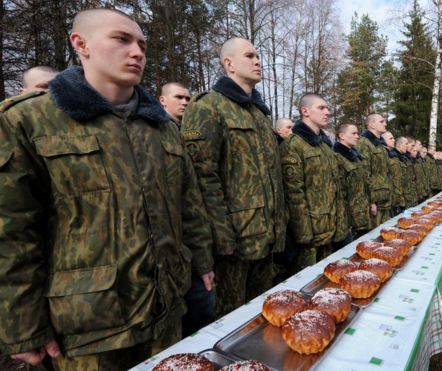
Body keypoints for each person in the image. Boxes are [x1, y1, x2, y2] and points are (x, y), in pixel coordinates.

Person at [0, 8, 214, 369]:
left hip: (165, 311)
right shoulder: (28, 120)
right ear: (80, 44)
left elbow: (188, 204)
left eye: (143, 44)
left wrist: (202, 261)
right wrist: (22, 324)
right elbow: (12, 232)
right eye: (122, 39)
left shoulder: (159, 126)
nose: (138, 52)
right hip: (87, 328)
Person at [181, 37, 287, 317]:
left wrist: (279, 226)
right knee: (230, 321)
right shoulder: (207, 107)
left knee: (263, 317)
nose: (258, 61)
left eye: (258, 55)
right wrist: (222, 240)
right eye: (249, 56)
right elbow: (202, 180)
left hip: (266, 238)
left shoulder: (260, 115)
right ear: (228, 64)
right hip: (234, 244)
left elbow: (270, 177)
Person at [281, 94, 347, 271]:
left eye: (327, 108)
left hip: (329, 230)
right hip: (309, 237)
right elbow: (293, 193)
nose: (327, 112)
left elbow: (335, 188)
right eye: (321, 108)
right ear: (305, 111)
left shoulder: (324, 147)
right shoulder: (293, 145)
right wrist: (303, 234)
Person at [334, 123, 370, 239]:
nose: (357, 136)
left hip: (361, 215)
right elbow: (339, 194)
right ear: (342, 136)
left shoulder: (355, 157)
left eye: (357, 133)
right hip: (349, 221)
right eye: (353, 133)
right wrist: (344, 222)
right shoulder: (337, 158)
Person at [357, 114, 392, 228]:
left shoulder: (380, 145)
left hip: (384, 198)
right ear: (371, 125)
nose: (385, 124)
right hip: (375, 202)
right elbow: (364, 173)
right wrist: (371, 202)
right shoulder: (364, 143)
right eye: (381, 121)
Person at [382, 131, 405, 215]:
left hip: (396, 198)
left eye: (393, 138)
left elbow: (397, 178)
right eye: (391, 138)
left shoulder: (393, 156)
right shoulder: (383, 155)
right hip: (387, 199)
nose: (394, 140)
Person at [394, 136, 418, 208]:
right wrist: (400, 200)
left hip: (409, 196)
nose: (408, 146)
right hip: (401, 199)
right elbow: (396, 181)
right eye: (406, 144)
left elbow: (411, 179)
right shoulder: (395, 158)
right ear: (398, 145)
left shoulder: (405, 158)